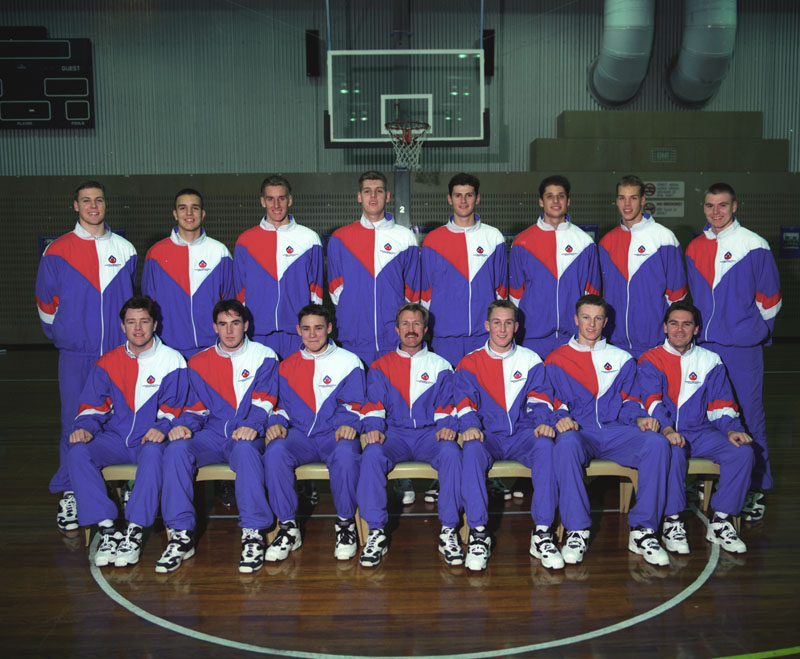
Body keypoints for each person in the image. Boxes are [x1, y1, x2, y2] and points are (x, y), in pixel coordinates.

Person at [547, 295, 682, 567]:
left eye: (598, 318)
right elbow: (550, 400)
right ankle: (577, 530)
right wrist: (560, 418)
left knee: (656, 443)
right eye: (586, 317)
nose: (591, 324)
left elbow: (630, 400)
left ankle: (643, 530)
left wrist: (640, 419)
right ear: (576, 319)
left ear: (606, 322)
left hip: (616, 431)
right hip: (580, 431)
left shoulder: (622, 359)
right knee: (566, 444)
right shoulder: (556, 359)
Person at [35, 180, 137, 532]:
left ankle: (116, 485)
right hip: (77, 355)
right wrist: (68, 335)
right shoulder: (57, 251)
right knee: (73, 423)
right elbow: (46, 306)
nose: (93, 206)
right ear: (75, 206)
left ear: (105, 205)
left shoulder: (125, 250)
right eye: (85, 201)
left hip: (116, 356)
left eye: (98, 200)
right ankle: (69, 492)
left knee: (118, 419)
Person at [157, 299, 280, 573]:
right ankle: (180, 534)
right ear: (214, 327)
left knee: (247, 450)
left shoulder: (265, 356)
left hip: (247, 432)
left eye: (235, 323)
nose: (229, 331)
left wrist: (253, 425)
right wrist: (186, 425)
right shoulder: (199, 362)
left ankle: (252, 532)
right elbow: (194, 405)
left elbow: (266, 400)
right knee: (176, 449)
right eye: (223, 324)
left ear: (245, 325)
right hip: (211, 435)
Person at [66, 296, 188, 567]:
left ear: (155, 324)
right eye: (131, 322)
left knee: (155, 453)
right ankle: (108, 529)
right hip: (116, 439)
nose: (138, 328)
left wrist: (162, 427)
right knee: (77, 452)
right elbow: (92, 405)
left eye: (144, 321)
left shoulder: (172, 361)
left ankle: (134, 531)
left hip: (150, 440)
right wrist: (85, 428)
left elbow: (176, 409)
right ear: (122, 327)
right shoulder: (107, 362)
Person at [685, 182, 781, 521]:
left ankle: (756, 486)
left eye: (722, 205)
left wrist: (751, 332)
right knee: (706, 416)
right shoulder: (694, 247)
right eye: (710, 205)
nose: (716, 212)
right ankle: (708, 478)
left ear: (735, 206)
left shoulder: (754, 245)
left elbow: (770, 301)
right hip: (705, 348)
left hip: (741, 349)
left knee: (749, 418)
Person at [637, 301, 752, 554]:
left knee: (742, 451)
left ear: (696, 329)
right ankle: (672, 521)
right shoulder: (651, 359)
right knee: (674, 451)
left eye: (686, 324)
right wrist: (667, 430)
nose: (680, 330)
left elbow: (721, 404)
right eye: (674, 323)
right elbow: (651, 401)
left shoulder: (711, 360)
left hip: (701, 432)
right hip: (666, 432)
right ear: (665, 328)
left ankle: (721, 520)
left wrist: (732, 429)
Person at [455, 300, 562, 571]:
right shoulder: (470, 361)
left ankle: (542, 532)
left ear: (516, 326)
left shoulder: (530, 359)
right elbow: (465, 400)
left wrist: (542, 422)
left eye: (508, 323)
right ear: (486, 326)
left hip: (522, 435)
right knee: (471, 449)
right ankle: (479, 533)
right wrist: (469, 425)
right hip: (488, 435)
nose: (502, 329)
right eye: (496, 323)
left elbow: (540, 397)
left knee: (546, 446)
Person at [356, 303, 461, 567]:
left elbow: (447, 405)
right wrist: (374, 430)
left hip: (429, 435)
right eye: (405, 324)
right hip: (395, 434)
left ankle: (449, 529)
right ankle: (376, 532)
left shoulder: (441, 365)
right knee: (371, 454)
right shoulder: (381, 366)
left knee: (451, 453)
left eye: (416, 324)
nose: (411, 329)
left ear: (425, 329)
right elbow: (373, 406)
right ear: (397, 329)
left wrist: (447, 425)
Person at [263, 304, 365, 562]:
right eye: (306, 329)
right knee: (274, 451)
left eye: (318, 328)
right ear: (298, 331)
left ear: (329, 328)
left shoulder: (349, 361)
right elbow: (280, 406)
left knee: (345, 454)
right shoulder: (286, 366)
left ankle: (345, 524)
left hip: (334, 434)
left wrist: (348, 422)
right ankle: (288, 527)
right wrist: (276, 421)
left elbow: (356, 404)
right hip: (300, 436)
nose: (312, 335)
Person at [326, 171, 420, 365]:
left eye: (378, 191)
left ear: (387, 196)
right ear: (359, 196)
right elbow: (335, 291)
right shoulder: (340, 238)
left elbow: (412, 291)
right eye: (367, 191)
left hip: (394, 339)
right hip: (355, 337)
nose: (373, 196)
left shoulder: (405, 238)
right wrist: (354, 316)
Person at [420, 173, 508, 368]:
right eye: (458, 195)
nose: (463, 200)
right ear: (449, 198)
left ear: (477, 198)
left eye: (468, 195)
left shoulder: (493, 237)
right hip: (444, 335)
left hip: (483, 334)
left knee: (483, 394)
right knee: (446, 395)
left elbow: (501, 290)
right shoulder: (433, 241)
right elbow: (425, 293)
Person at [510, 175, 601, 360]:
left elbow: (592, 294)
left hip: (574, 338)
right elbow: (515, 295)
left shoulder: (584, 242)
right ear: (541, 201)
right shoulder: (522, 242)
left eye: (560, 196)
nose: (556, 201)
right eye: (550, 196)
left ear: (568, 201)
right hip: (533, 337)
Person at [234, 175, 323, 358]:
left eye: (281, 198)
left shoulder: (309, 239)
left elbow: (317, 291)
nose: (276, 205)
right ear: (262, 201)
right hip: (258, 332)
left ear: (290, 200)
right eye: (270, 199)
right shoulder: (245, 241)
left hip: (297, 332)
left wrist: (312, 328)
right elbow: (239, 292)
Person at [598, 175, 687, 358]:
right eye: (622, 198)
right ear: (616, 201)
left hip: (654, 343)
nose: (627, 204)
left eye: (633, 198)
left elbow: (677, 295)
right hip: (614, 344)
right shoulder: (606, 242)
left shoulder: (664, 238)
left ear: (643, 200)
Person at [142, 188, 233, 359]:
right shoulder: (155, 254)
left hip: (212, 347)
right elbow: (148, 305)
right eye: (183, 208)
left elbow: (230, 302)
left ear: (203, 213)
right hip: (168, 349)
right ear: (175, 214)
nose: (189, 213)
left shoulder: (219, 252)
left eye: (195, 208)